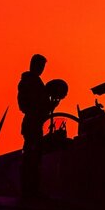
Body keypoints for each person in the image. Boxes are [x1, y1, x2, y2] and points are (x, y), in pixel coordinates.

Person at [17, 54, 65, 198]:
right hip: (33, 124)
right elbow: (30, 105)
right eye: (40, 66)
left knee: (34, 156)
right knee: (32, 156)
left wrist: (49, 105)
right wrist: (47, 105)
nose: (42, 69)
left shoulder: (34, 82)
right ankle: (30, 189)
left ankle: (31, 188)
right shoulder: (30, 83)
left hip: (35, 124)